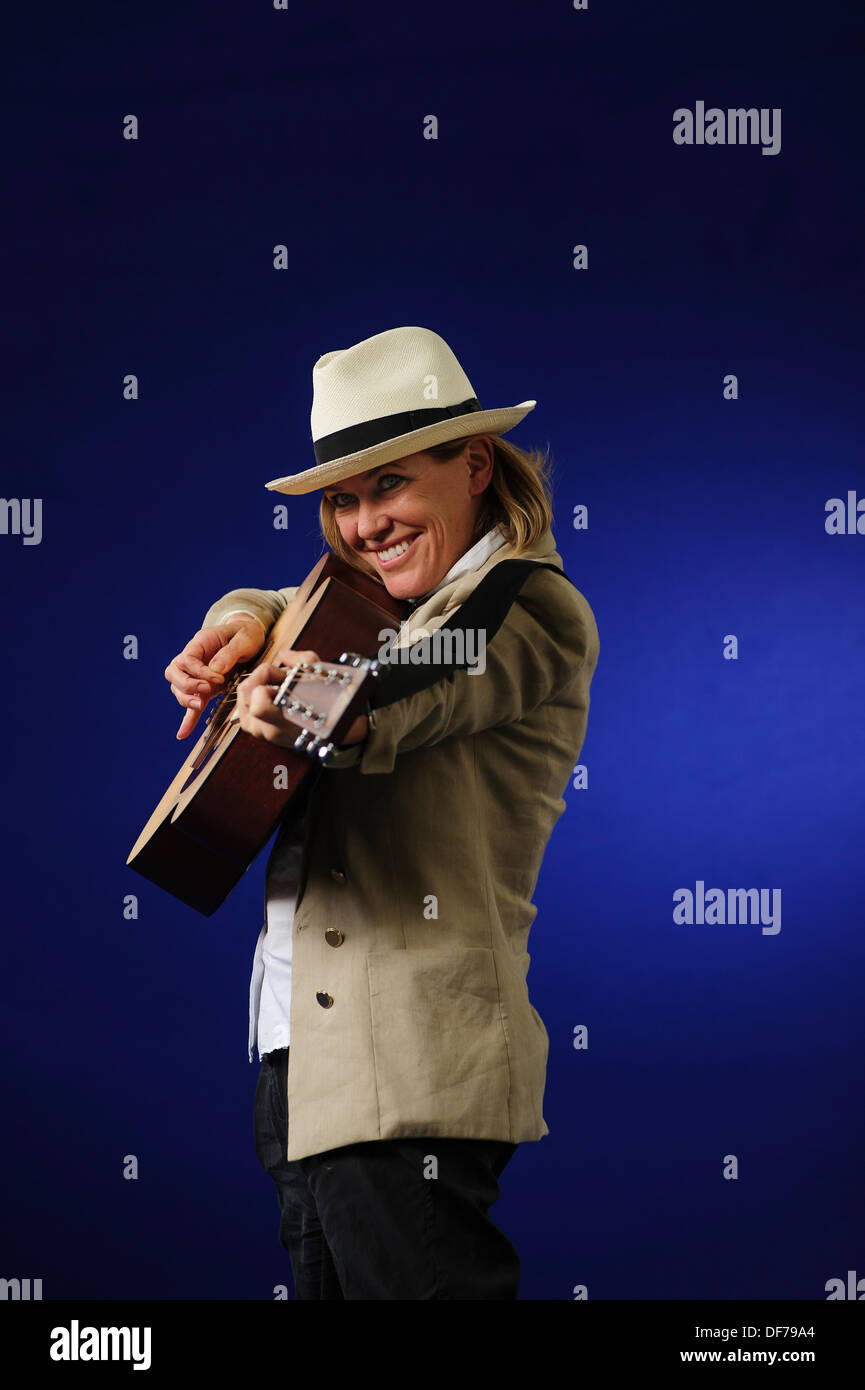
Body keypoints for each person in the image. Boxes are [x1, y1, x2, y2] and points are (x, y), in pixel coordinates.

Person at [163, 325, 600, 1299]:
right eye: (343, 501)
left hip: (411, 1073)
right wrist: (235, 625)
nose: (365, 524)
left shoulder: (524, 606)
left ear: (475, 463)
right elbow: (282, 600)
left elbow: (411, 683)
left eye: (393, 485)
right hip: (296, 1057)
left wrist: (302, 697)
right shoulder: (388, 601)